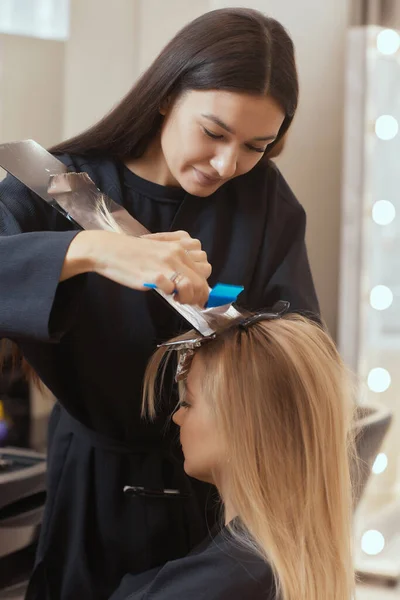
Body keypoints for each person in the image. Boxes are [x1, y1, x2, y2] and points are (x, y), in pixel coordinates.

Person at [0, 7, 319, 600]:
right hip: (94, 486)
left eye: (257, 145)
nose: (227, 165)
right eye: (214, 133)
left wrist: (231, 321)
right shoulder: (60, 188)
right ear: (168, 96)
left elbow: (296, 338)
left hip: (220, 493)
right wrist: (89, 251)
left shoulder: (265, 198)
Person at [109, 309, 356, 600]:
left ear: (240, 426)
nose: (177, 419)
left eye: (187, 403)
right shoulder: (290, 558)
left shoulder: (221, 584)